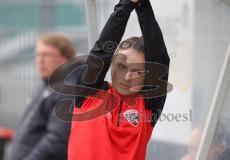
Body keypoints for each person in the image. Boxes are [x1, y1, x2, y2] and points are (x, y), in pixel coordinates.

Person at [68, 0, 170, 159]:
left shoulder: (148, 107)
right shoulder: (88, 94)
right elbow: (102, 49)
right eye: (122, 67)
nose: (127, 77)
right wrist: (127, 4)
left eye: (137, 72)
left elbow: (160, 58)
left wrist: (143, 6)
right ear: (112, 63)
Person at [11, 33, 76, 160]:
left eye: (46, 55)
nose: (40, 60)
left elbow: (57, 140)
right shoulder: (46, 84)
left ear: (64, 59)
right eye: (38, 55)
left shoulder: (66, 90)